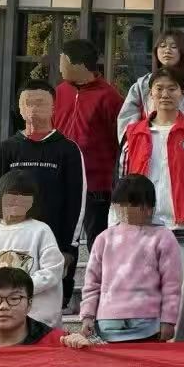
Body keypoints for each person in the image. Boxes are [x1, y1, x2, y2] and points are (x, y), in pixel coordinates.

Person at [114, 66, 184, 337]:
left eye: (172, 89)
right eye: (159, 89)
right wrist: (119, 222)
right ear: (150, 95)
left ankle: (181, 348)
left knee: (182, 295)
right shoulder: (133, 132)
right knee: (142, 291)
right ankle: (144, 347)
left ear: (183, 94)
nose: (165, 94)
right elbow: (122, 181)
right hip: (141, 227)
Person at [0, 79, 85, 309]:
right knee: (8, 304)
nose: (34, 108)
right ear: (19, 108)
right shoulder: (6, 149)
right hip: (8, 246)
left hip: (52, 245)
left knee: (46, 311)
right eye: (28, 103)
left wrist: (69, 248)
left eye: (40, 102)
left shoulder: (68, 150)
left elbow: (77, 202)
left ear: (54, 107)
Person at [79, 174, 183, 342]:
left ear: (149, 207)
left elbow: (171, 284)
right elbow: (92, 282)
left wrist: (169, 320)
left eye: (135, 205)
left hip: (148, 324)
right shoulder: (104, 239)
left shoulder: (163, 236)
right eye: (122, 205)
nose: (128, 210)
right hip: (108, 324)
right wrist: (87, 316)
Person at [0, 171, 64, 330]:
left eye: (24, 197)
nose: (17, 202)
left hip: (37, 320)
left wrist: (18, 290)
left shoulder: (40, 230)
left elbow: (52, 270)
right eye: (12, 196)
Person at [54, 37, 122, 256]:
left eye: (63, 61)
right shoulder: (60, 92)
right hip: (62, 179)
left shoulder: (109, 96)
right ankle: (64, 279)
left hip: (97, 184)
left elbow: (119, 139)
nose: (60, 67)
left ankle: (100, 277)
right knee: (62, 241)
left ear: (79, 64)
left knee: (98, 242)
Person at [117, 29, 184, 138]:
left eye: (173, 47)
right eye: (162, 46)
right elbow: (127, 117)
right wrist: (138, 139)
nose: (167, 50)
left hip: (181, 142)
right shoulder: (143, 84)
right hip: (144, 141)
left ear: (183, 52)